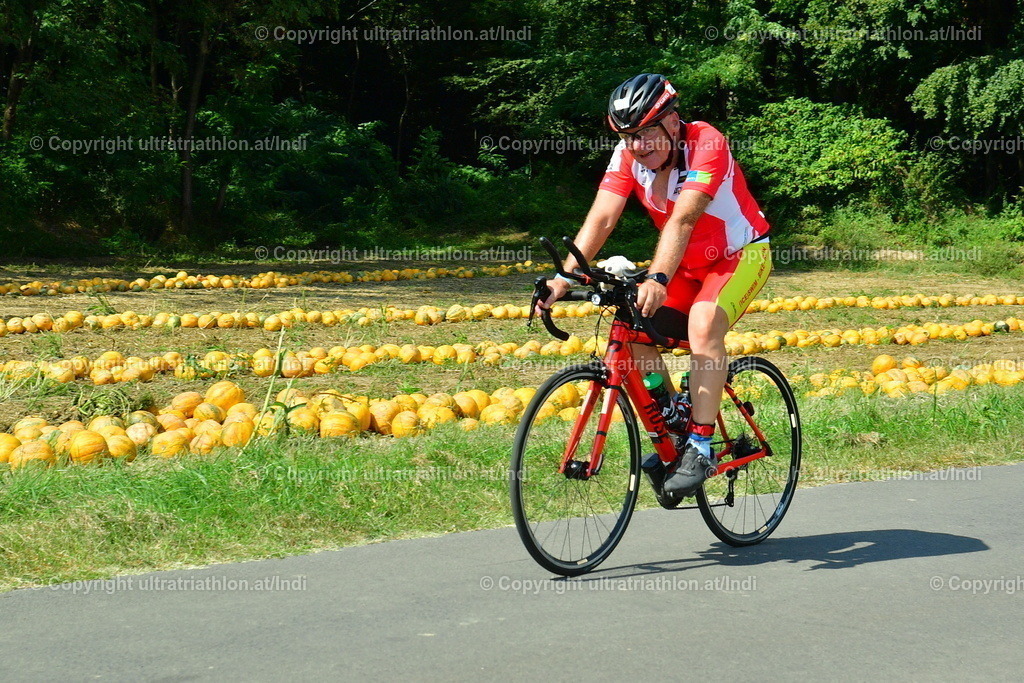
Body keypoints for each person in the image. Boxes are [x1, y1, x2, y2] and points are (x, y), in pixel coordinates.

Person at [536, 73, 772, 497]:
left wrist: (658, 277)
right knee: (633, 322)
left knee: (703, 325)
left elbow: (683, 219)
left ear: (673, 121)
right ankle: (673, 421)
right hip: (685, 264)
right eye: (628, 136)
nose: (638, 146)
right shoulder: (627, 155)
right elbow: (603, 218)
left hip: (740, 255)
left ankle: (699, 446)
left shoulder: (707, 143)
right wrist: (564, 277)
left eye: (646, 133)